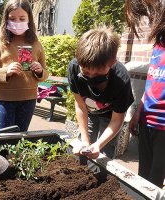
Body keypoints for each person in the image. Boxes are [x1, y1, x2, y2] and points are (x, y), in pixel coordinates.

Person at [0, 0, 48, 132]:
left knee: (20, 141)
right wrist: (5, 72)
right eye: (12, 18)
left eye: (22, 18)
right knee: (2, 141)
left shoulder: (36, 44)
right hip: (5, 100)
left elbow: (45, 73)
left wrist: (40, 71)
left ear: (29, 19)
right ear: (6, 19)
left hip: (29, 100)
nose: (17, 22)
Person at [67, 26, 134, 161]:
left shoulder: (121, 80)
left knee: (104, 152)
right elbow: (80, 106)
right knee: (83, 149)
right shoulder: (74, 68)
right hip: (90, 112)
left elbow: (117, 119)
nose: (91, 76)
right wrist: (85, 141)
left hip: (111, 117)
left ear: (113, 63)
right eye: (85, 72)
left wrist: (98, 145)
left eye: (98, 73)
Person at [125, 0, 165, 188]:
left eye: (152, 13)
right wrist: (139, 111)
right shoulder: (158, 45)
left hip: (163, 126)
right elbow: (152, 82)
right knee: (142, 177)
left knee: (155, 181)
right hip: (146, 120)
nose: (150, 19)